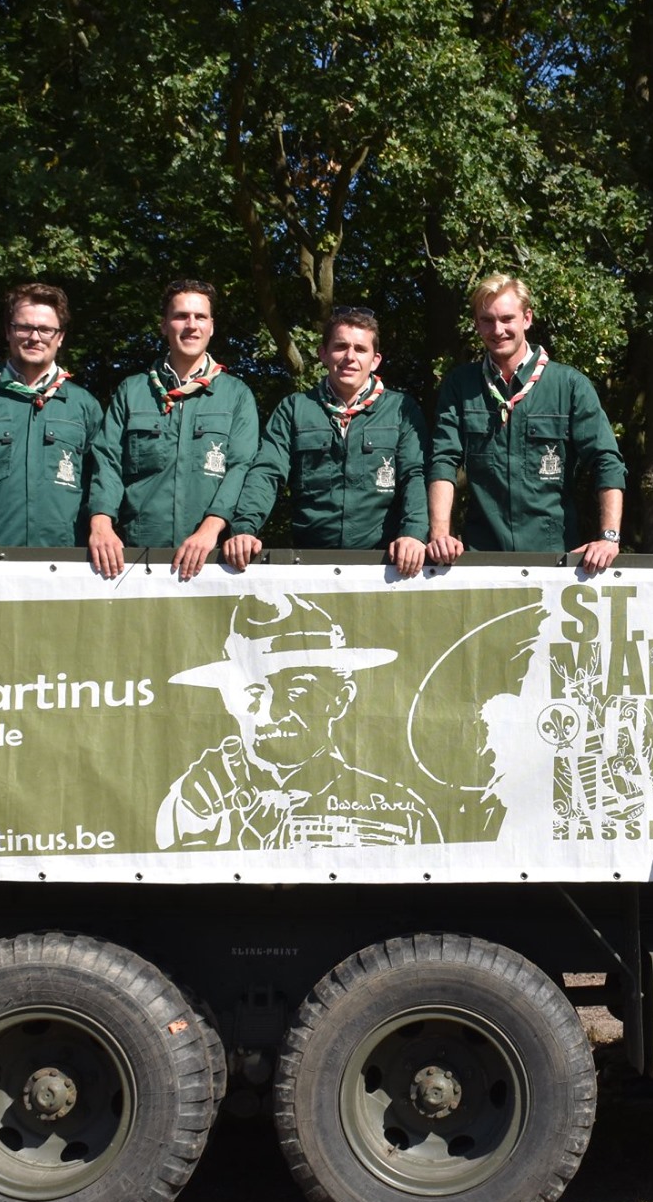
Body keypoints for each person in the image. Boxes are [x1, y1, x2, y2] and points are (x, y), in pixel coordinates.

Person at [157, 594, 442, 851]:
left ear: (341, 697)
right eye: (253, 691)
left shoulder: (400, 812)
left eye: (296, 689)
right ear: (229, 701)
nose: (272, 712)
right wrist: (192, 813)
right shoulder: (190, 805)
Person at [426, 274, 625, 576]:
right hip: (481, 560)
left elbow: (606, 460)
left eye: (507, 319)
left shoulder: (570, 385)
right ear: (477, 324)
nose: (498, 330)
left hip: (556, 561)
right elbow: (443, 460)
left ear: (527, 318)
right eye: (487, 320)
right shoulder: (460, 385)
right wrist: (440, 533)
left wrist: (609, 537)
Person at [223, 307, 428, 578]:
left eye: (360, 349)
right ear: (323, 354)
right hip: (309, 565)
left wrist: (414, 533)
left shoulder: (401, 409)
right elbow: (267, 472)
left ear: (375, 360)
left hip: (384, 565)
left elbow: (414, 474)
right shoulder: (294, 409)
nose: (350, 357)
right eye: (340, 346)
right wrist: (244, 529)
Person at [87, 279, 258, 580]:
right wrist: (101, 524)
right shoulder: (132, 391)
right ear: (164, 325)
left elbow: (241, 467)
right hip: (136, 559)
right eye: (181, 316)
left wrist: (210, 529)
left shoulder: (236, 395)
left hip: (212, 560)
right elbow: (107, 461)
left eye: (200, 317)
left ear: (211, 326)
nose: (191, 325)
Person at [0, 282, 103, 547]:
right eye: (24, 327)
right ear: (8, 331)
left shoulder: (85, 406)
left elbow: (101, 482)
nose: (35, 337)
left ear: (60, 337)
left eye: (46, 329)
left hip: (64, 558)